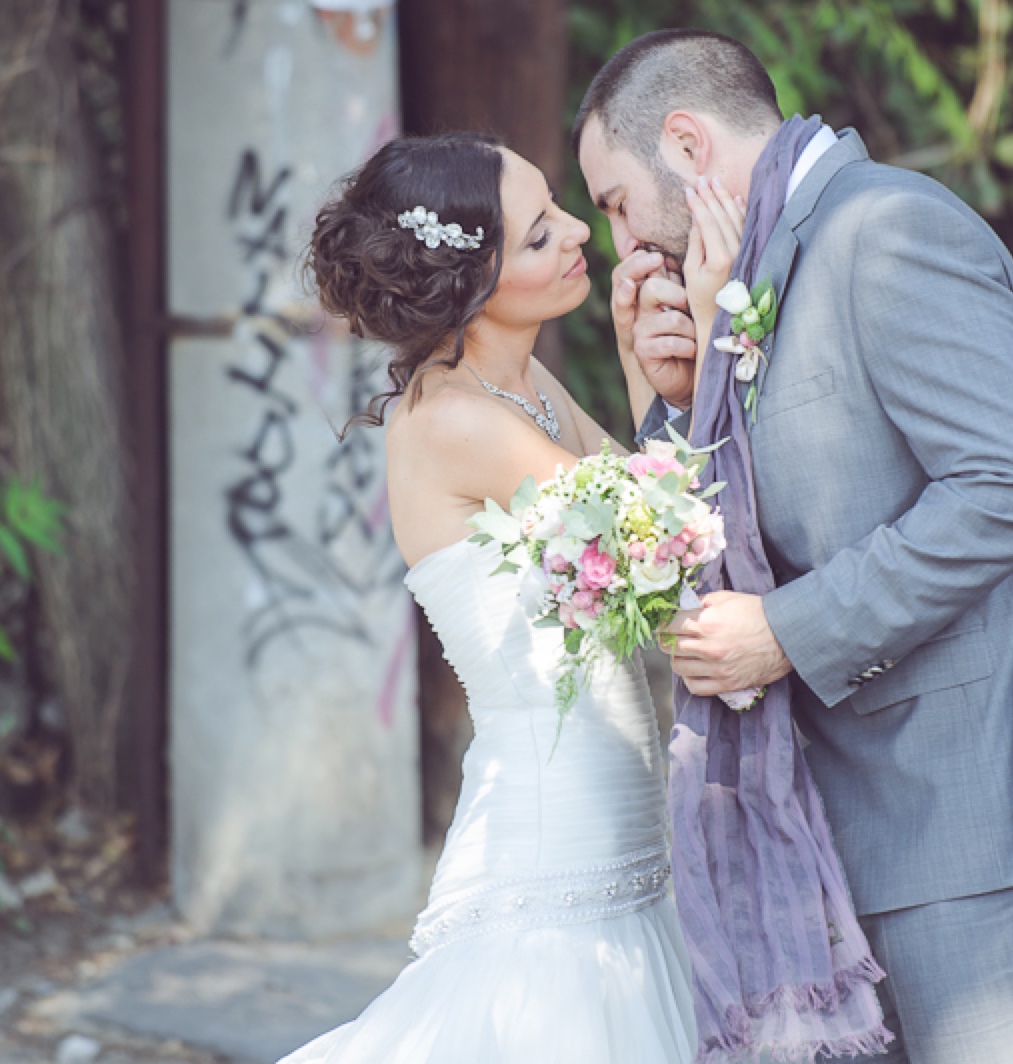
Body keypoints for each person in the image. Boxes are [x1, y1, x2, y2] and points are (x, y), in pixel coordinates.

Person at [575, 29, 1013, 1064]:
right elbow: (728, 535)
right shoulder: (737, 271)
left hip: (974, 816)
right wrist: (664, 398)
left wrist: (788, 631)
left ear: (687, 143)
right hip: (826, 824)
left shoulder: (885, 228)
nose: (623, 243)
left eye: (615, 202)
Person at [274, 131, 742, 1063]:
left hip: (615, 820)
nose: (577, 231)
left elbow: (653, 507)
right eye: (539, 235)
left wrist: (636, 352)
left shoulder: (521, 388)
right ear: (469, 283)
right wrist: (715, 312)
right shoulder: (455, 419)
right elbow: (674, 539)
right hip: (551, 831)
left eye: (556, 208)